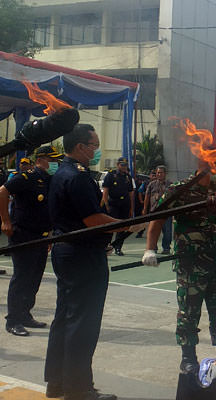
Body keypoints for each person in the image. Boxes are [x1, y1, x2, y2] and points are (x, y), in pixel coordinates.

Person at [45, 124, 122, 400]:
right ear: (80, 147)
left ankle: (57, 382)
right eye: (93, 145)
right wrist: (125, 225)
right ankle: (78, 388)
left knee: (65, 318)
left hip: (67, 252)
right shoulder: (77, 177)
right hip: (82, 256)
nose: (96, 150)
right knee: (83, 322)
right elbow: (94, 220)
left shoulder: (62, 173)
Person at [141, 158, 216, 373]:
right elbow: (157, 219)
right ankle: (188, 358)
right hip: (190, 263)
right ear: (201, 163)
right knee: (189, 312)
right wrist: (150, 248)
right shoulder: (180, 190)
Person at [1, 145, 62, 336]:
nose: (55, 164)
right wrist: (5, 220)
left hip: (42, 237)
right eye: (52, 160)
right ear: (39, 160)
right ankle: (13, 320)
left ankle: (25, 314)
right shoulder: (26, 178)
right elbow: (2, 192)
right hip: (23, 236)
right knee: (22, 277)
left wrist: (50, 233)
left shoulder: (50, 180)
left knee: (34, 278)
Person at [102, 157, 134, 256]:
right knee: (111, 226)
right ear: (117, 165)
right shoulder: (111, 175)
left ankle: (118, 247)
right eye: (122, 165)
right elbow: (105, 191)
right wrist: (106, 204)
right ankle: (107, 246)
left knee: (122, 227)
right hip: (113, 204)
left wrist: (131, 208)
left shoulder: (128, 177)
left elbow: (131, 193)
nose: (124, 167)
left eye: (125, 165)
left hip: (124, 204)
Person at [143, 165, 172, 254]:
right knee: (154, 230)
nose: (159, 174)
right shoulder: (151, 184)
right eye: (157, 172)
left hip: (166, 212)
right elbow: (147, 197)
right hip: (154, 211)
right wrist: (144, 209)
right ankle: (153, 248)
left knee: (167, 231)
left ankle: (166, 248)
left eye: (161, 172)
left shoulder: (170, 184)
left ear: (165, 174)